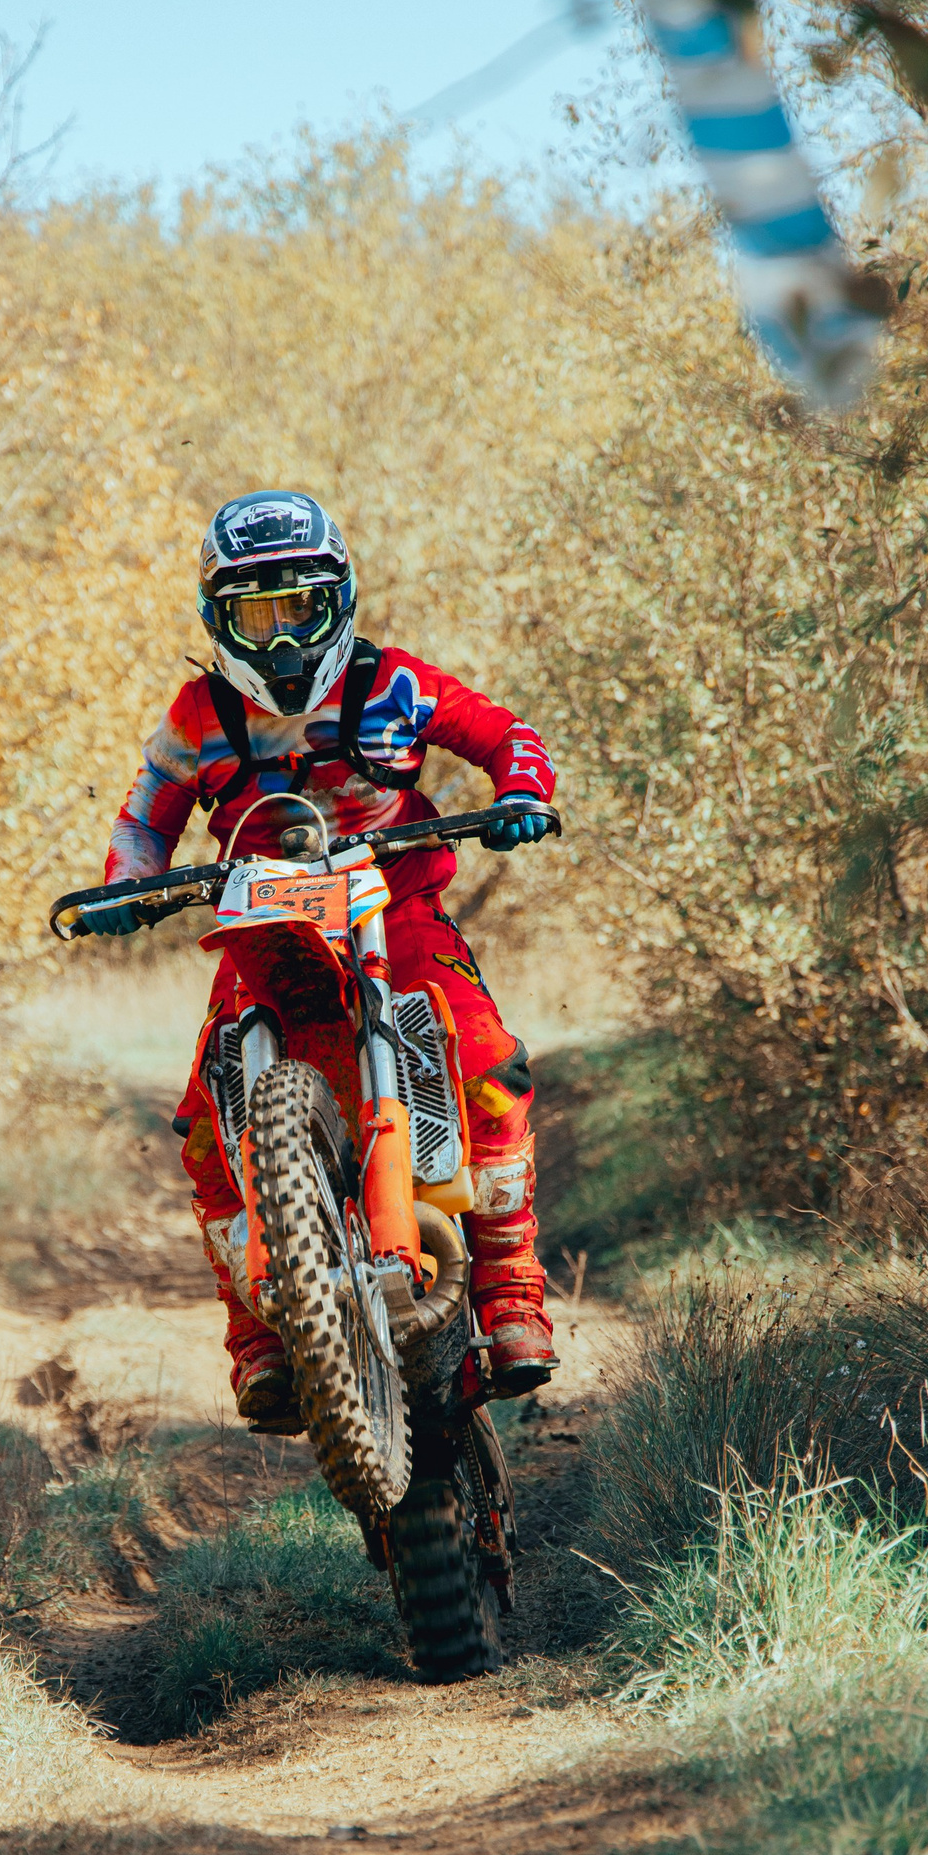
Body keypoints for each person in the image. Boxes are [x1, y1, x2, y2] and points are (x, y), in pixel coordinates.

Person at [87, 490, 559, 1431]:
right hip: (264, 922)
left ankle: (511, 1295)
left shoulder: (394, 683)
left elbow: (504, 734)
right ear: (218, 621)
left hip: (398, 911)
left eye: (298, 609)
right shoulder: (197, 714)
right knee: (202, 1124)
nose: (280, 640)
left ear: (337, 599)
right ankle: (258, 1338)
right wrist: (125, 886)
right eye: (255, 617)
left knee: (488, 1063)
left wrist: (521, 792)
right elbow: (144, 816)